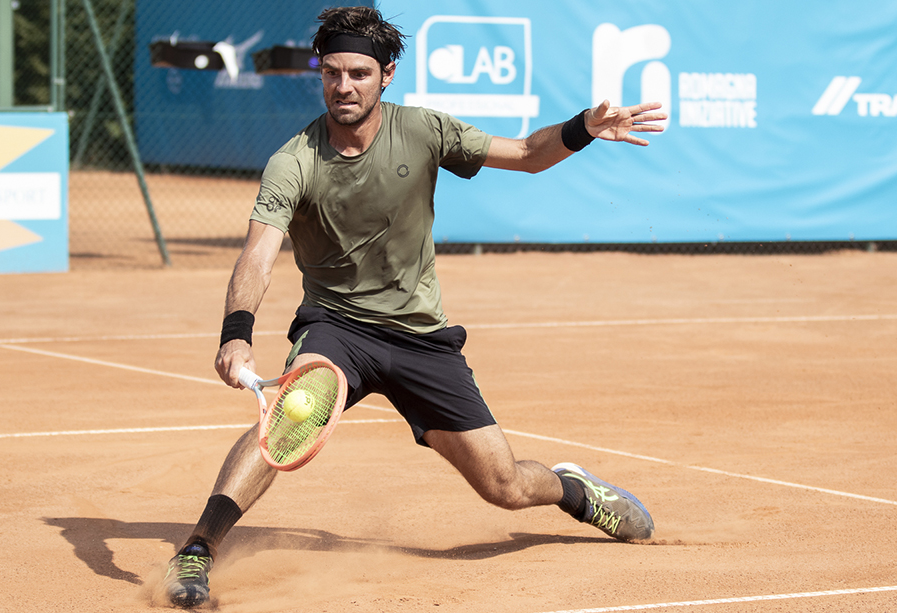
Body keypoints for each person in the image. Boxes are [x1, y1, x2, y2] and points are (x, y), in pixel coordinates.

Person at [161, 6, 667, 608]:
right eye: (331, 73)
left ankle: (572, 491)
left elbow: (528, 153)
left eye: (358, 73)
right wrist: (236, 333)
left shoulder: (424, 132)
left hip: (421, 339)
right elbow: (257, 257)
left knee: (503, 486)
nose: (343, 87)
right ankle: (197, 550)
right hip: (337, 327)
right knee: (292, 418)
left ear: (386, 75)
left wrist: (584, 126)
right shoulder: (292, 161)